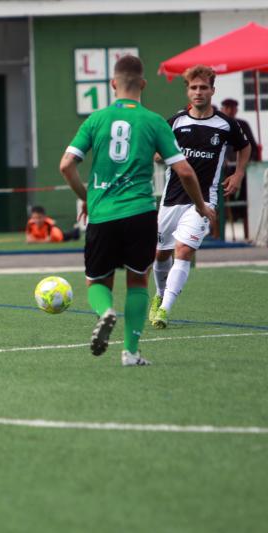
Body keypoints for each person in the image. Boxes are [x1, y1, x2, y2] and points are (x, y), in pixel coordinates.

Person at [59, 56, 215, 366]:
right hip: (141, 214)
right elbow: (184, 171)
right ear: (143, 84)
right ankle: (131, 352)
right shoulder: (155, 121)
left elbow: (66, 165)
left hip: (103, 213)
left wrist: (87, 198)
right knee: (138, 282)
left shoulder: (95, 120)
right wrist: (200, 205)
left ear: (113, 84)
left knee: (96, 283)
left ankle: (105, 312)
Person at [150, 66, 251, 329]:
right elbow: (157, 152)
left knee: (183, 251)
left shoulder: (227, 125)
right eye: (193, 87)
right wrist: (158, 155)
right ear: (187, 91)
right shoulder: (175, 121)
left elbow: (245, 146)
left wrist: (238, 173)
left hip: (205, 201)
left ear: (212, 91)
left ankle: (164, 310)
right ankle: (159, 296)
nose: (198, 92)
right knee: (161, 254)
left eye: (203, 87)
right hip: (172, 199)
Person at [220, 98, 260, 235]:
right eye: (227, 107)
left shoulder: (242, 124)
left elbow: (251, 147)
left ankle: (248, 233)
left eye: (233, 107)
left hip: (241, 172)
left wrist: (245, 164)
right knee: (221, 203)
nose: (230, 110)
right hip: (224, 171)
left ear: (236, 109)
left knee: (245, 202)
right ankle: (218, 234)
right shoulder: (218, 124)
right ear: (222, 109)